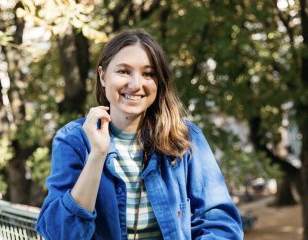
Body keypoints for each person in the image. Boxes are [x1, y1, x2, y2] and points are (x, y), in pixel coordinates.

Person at [35, 29, 243, 240]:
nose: (135, 85)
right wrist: (97, 155)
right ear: (103, 76)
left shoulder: (185, 137)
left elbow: (220, 224)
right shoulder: (73, 140)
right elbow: (61, 234)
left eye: (148, 73)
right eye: (123, 71)